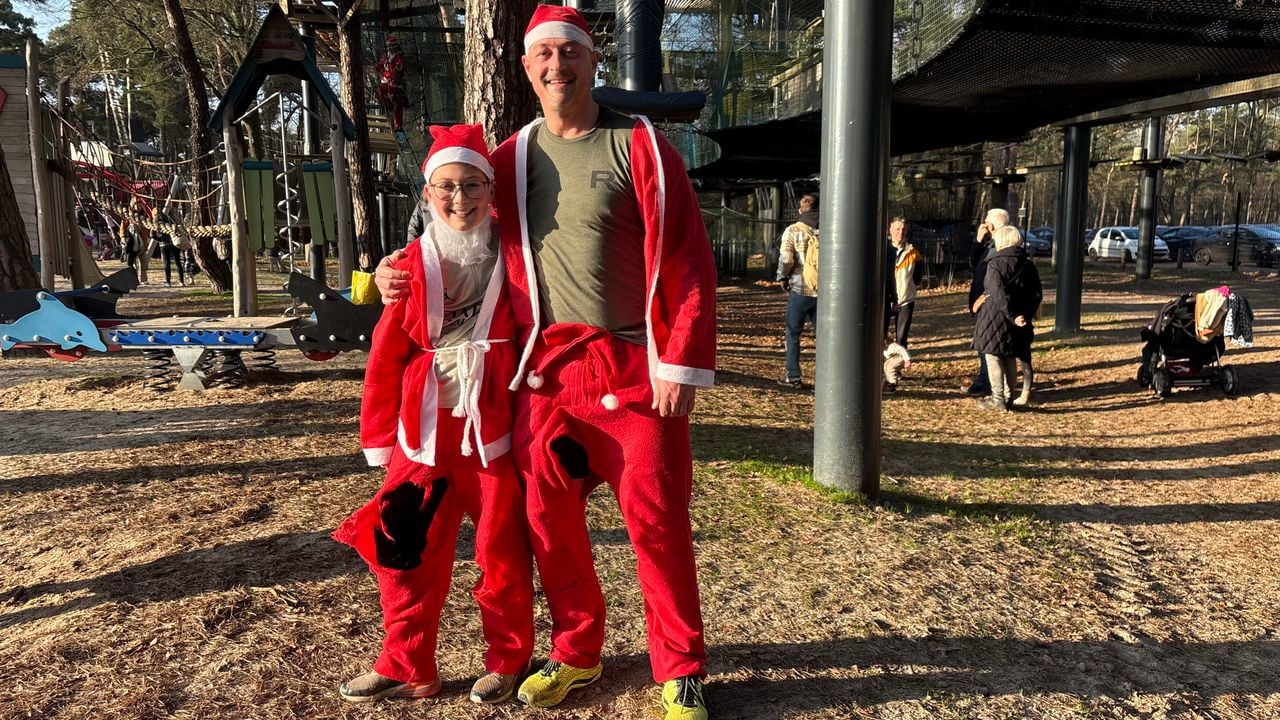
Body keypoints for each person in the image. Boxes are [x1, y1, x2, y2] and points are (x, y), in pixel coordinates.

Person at [375, 8, 716, 719]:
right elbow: (446, 223)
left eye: (569, 52)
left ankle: (680, 668)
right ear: (526, 69)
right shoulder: (507, 157)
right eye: (542, 56)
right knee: (545, 522)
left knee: (656, 521)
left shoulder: (643, 147)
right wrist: (387, 274)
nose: (556, 65)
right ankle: (577, 652)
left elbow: (685, 256)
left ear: (593, 62)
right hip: (543, 373)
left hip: (631, 366)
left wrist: (678, 360)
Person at [333, 124, 534, 705]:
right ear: (427, 194)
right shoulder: (408, 266)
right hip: (422, 434)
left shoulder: (519, 256)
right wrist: (377, 438)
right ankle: (406, 662)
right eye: (446, 187)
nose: (460, 199)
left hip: (493, 428)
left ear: (492, 193)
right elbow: (385, 355)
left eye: (472, 185)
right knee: (404, 546)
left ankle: (509, 659)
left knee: (502, 550)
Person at [972, 225, 1042, 410]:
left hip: (995, 316)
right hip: (1019, 319)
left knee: (993, 354)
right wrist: (1023, 315)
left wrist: (1010, 314)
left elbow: (996, 292)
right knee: (1010, 355)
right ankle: (1009, 396)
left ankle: (998, 398)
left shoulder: (994, 263)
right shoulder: (1028, 264)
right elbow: (1036, 294)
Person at [775, 193, 819, 389]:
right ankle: (827, 377)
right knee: (825, 336)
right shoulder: (830, 228)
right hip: (825, 291)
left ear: (800, 210)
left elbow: (786, 258)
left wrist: (782, 277)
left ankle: (793, 376)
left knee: (793, 333)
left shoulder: (793, 230)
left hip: (800, 289)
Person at [965, 208, 1010, 395]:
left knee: (987, 344)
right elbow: (972, 263)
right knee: (986, 343)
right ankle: (989, 381)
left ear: (990, 225)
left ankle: (986, 382)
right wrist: (978, 240)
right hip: (983, 301)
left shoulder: (1000, 247)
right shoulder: (990, 244)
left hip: (990, 302)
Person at [888, 217, 922, 348]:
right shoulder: (881, 250)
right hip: (886, 300)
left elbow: (917, 278)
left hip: (905, 300)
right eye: (897, 229)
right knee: (880, 334)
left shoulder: (914, 253)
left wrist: (908, 288)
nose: (900, 232)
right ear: (890, 230)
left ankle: (899, 364)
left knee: (901, 338)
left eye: (903, 229)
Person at [376, 35, 408, 132]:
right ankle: (388, 108)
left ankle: (398, 125)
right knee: (381, 91)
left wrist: (397, 71)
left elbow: (400, 67)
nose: (390, 47)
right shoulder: (387, 55)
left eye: (392, 46)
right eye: (389, 46)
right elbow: (381, 64)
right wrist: (377, 67)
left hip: (396, 82)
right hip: (386, 80)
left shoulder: (399, 55)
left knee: (397, 101)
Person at [153, 215, 186, 287]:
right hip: (174, 243)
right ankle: (182, 281)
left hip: (164, 245)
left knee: (167, 263)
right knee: (178, 263)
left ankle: (168, 282)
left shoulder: (156, 224)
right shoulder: (171, 220)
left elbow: (152, 235)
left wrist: (161, 240)